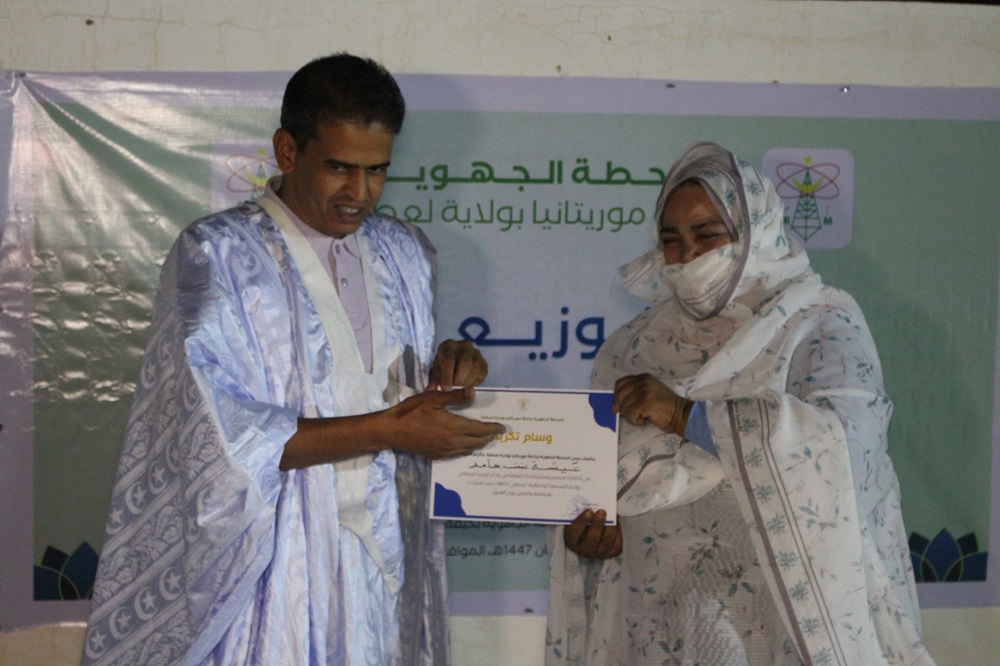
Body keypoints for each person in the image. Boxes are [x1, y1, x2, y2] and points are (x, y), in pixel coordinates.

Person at [81, 53, 504, 665]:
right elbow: (215, 436)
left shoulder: (406, 251)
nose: (360, 193)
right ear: (287, 150)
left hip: (390, 556)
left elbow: (381, 386)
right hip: (276, 568)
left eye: (377, 171)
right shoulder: (217, 255)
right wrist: (390, 430)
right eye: (339, 168)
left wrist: (449, 369)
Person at [546, 141, 935, 665]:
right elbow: (603, 487)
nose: (688, 256)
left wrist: (686, 415)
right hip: (661, 623)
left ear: (756, 231)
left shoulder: (817, 321)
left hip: (783, 624)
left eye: (708, 235)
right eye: (671, 241)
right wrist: (595, 536)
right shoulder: (632, 347)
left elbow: (845, 448)